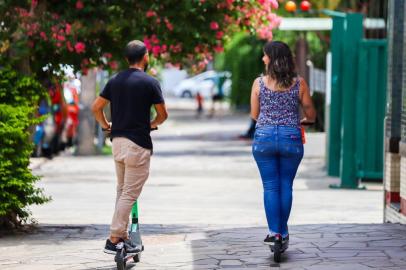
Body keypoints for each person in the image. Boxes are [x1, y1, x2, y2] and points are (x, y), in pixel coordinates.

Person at [91, 40, 168, 254]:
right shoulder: (150, 82)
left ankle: (122, 236)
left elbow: (96, 107)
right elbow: (163, 115)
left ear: (126, 59)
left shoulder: (114, 80)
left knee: (122, 190)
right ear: (146, 57)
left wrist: (106, 126)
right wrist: (151, 124)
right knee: (129, 193)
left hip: (117, 142)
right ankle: (114, 238)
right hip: (138, 144)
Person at [250, 41, 316, 246]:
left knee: (270, 186)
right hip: (291, 137)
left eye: (265, 55)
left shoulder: (259, 83)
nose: (263, 59)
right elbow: (311, 114)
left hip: (264, 138)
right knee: (286, 185)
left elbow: (254, 115)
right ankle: (283, 233)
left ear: (272, 59)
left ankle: (275, 233)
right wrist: (303, 120)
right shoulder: (299, 83)